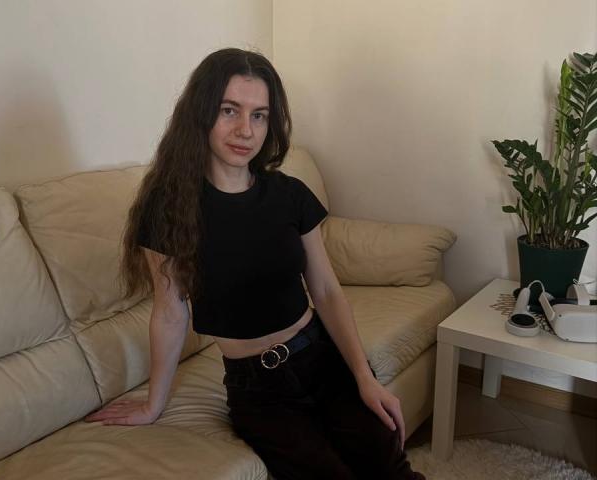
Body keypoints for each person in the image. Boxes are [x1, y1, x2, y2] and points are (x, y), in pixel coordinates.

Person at [85, 48, 425, 480]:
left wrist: (364, 375)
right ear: (202, 112)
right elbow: (170, 313)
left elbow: (326, 291)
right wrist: (154, 404)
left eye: (259, 115)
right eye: (230, 110)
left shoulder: (290, 194)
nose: (245, 130)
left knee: (391, 468)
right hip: (258, 389)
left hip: (323, 358)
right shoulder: (168, 209)